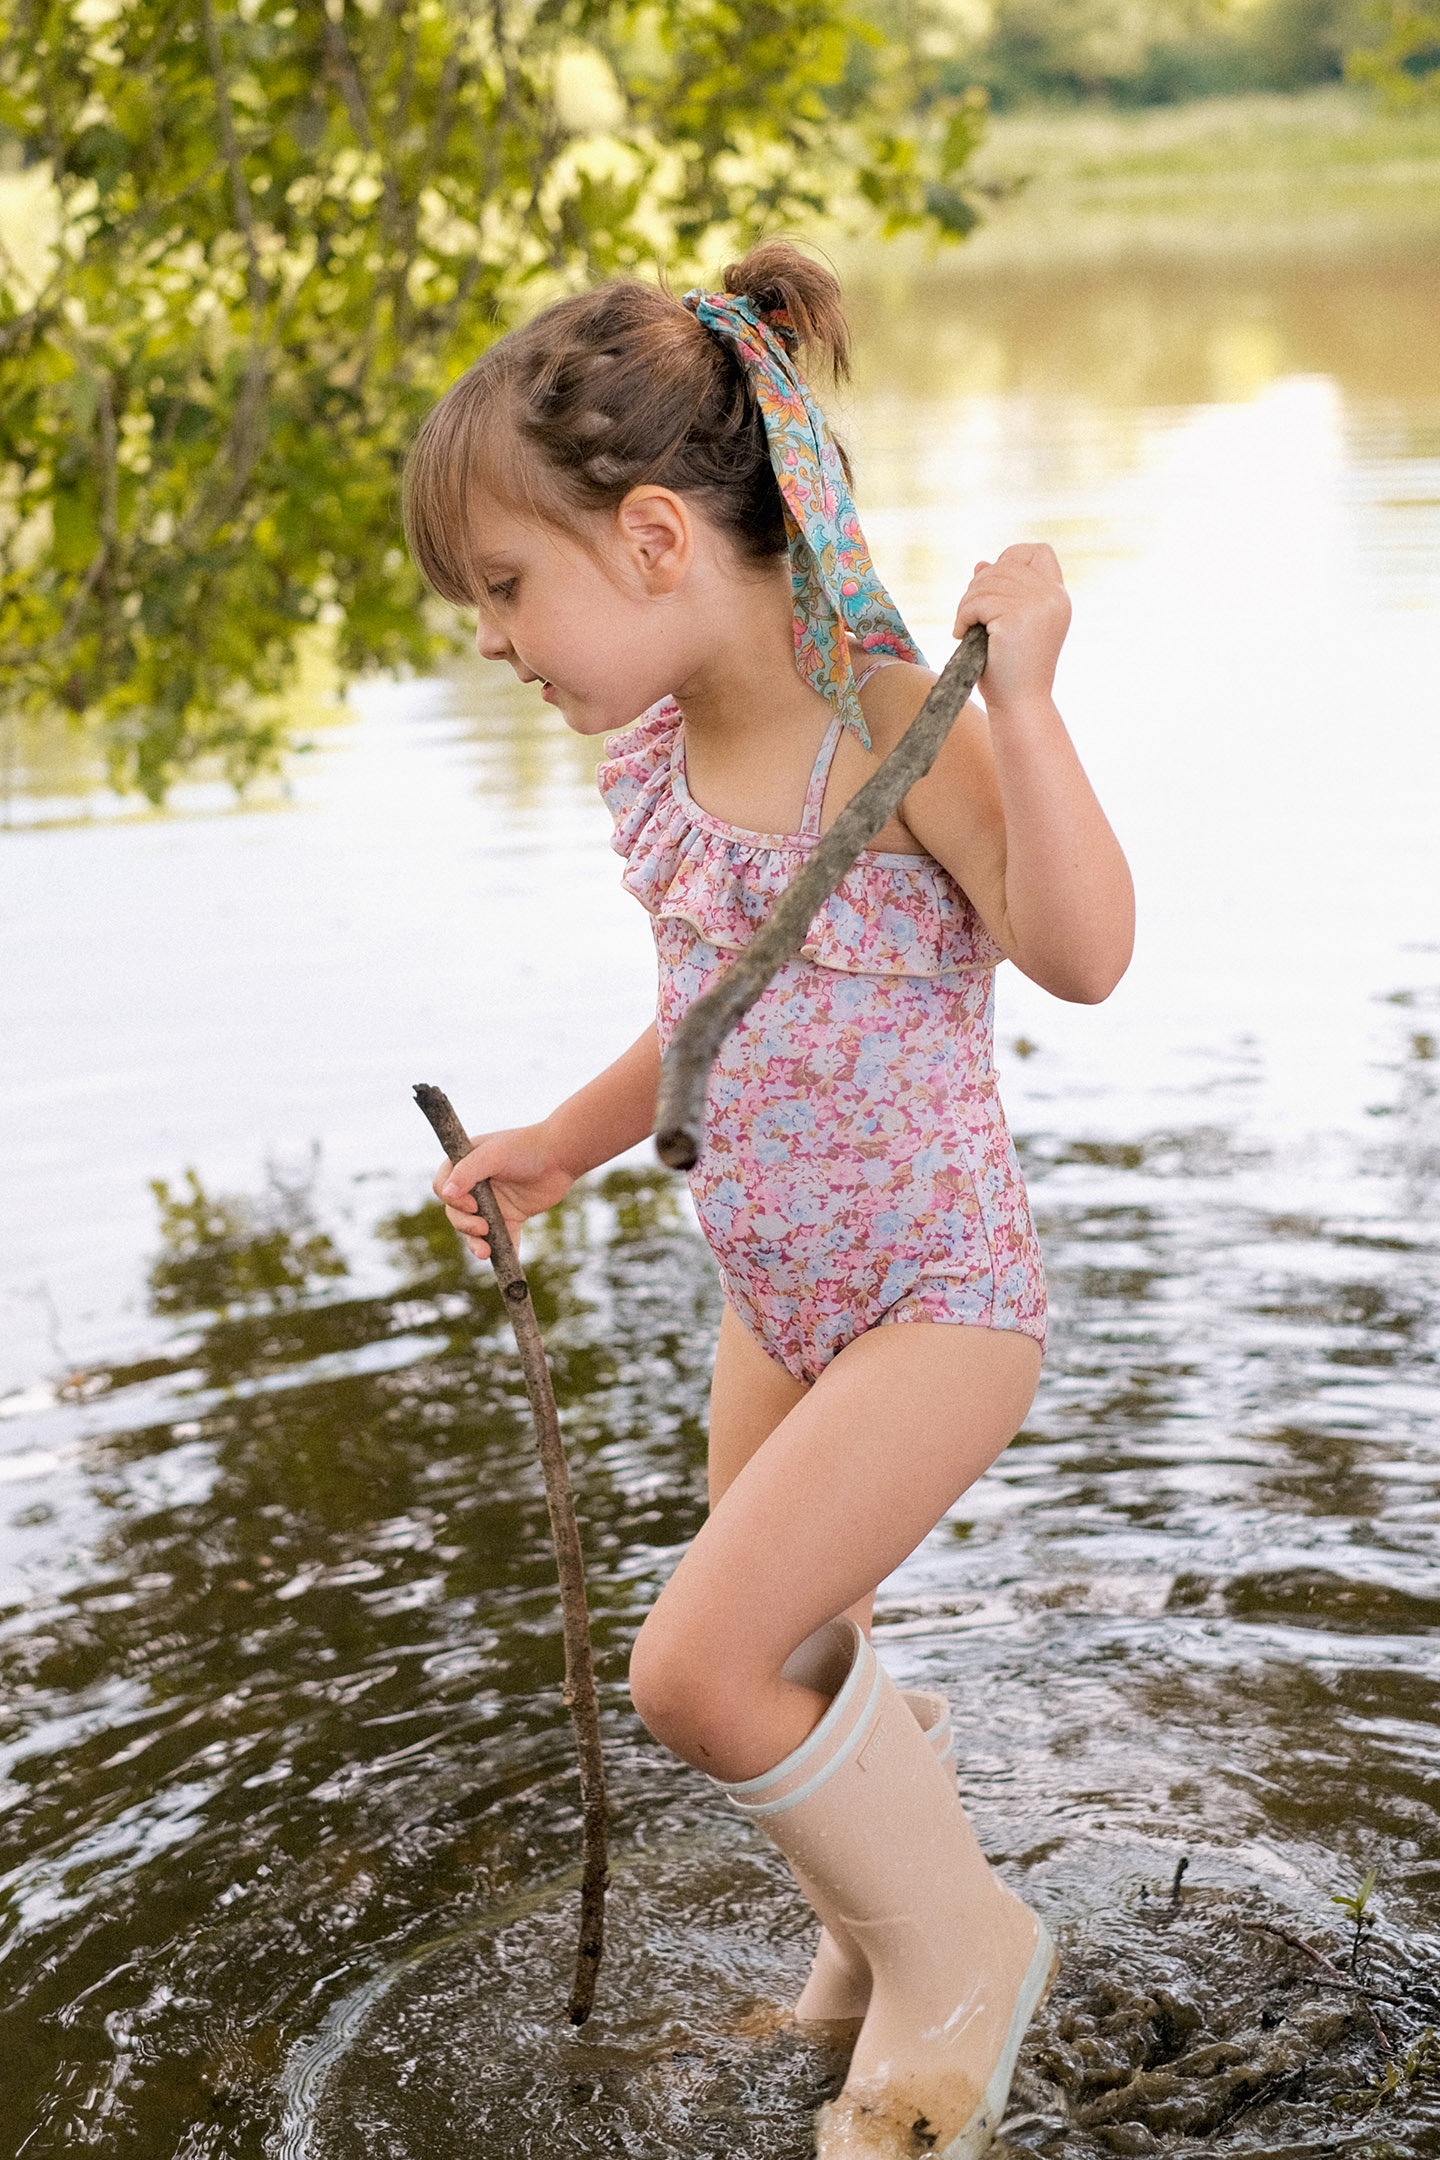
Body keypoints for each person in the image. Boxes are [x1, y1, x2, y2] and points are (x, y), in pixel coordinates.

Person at [404, 240, 1133, 2158]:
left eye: (502, 584)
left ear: (654, 538)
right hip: (779, 1303)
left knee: (698, 1667)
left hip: (934, 1305)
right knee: (795, 1646)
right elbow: (709, 1009)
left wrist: (1031, 706)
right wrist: (561, 1141)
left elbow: (1083, 954)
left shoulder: (889, 726)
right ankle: (865, 1948)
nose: (491, 635)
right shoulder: (658, 767)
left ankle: (964, 1949)